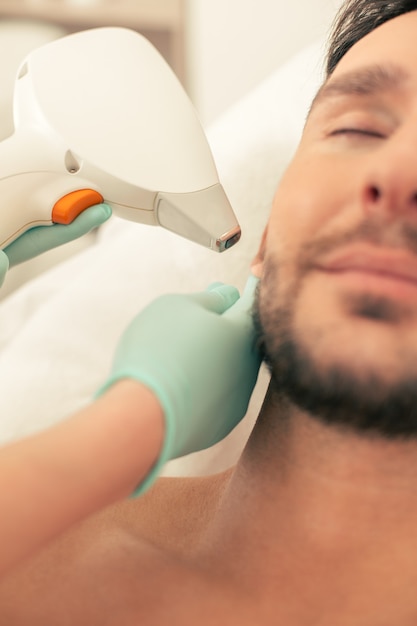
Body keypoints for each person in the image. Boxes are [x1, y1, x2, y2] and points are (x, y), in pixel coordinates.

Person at [1, 0, 417, 622]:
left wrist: (135, 422)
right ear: (270, 231)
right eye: (358, 130)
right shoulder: (31, 567)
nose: (398, 174)